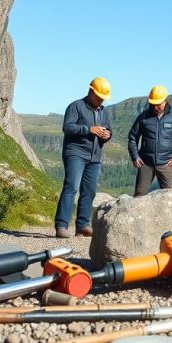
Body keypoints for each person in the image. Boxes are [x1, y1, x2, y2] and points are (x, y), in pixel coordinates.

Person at [55, 76, 112, 238]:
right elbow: (67, 127)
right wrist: (89, 129)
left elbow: (109, 130)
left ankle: (82, 226)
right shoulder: (76, 106)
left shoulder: (104, 111)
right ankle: (62, 225)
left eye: (104, 98)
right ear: (91, 92)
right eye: (99, 97)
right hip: (75, 153)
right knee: (71, 187)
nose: (102, 101)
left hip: (95, 157)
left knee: (89, 191)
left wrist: (107, 135)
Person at [127, 85, 172, 196]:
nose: (156, 107)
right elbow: (133, 137)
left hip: (167, 164)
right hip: (145, 163)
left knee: (168, 196)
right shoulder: (143, 117)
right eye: (154, 104)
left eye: (159, 104)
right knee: (139, 195)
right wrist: (135, 156)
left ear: (165, 100)